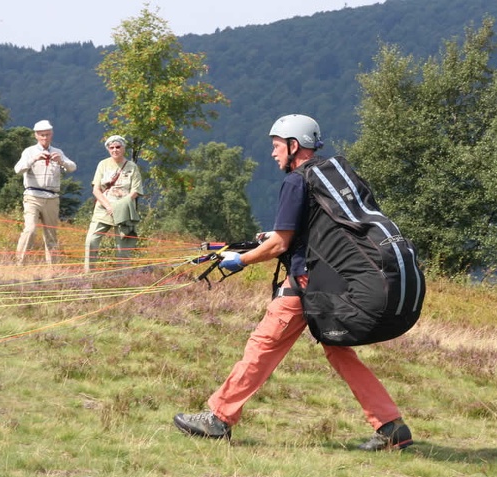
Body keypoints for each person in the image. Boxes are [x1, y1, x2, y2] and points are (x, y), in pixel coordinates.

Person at [173, 114, 414, 451]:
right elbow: (316, 228)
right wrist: (273, 237)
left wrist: (240, 260)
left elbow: (280, 245)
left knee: (263, 344)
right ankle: (391, 427)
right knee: (337, 351)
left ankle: (219, 417)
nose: (272, 154)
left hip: (307, 286)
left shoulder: (296, 181)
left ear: (293, 146)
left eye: (275, 146)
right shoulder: (330, 174)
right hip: (337, 285)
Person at [14, 119, 77, 265]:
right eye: (41, 135)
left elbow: (72, 167)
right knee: (30, 229)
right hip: (32, 195)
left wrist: (61, 161)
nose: (45, 138)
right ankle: (19, 263)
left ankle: (52, 268)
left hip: (52, 197)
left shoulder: (58, 152)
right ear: (36, 135)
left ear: (52, 135)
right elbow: (18, 169)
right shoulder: (29, 152)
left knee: (51, 234)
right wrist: (34, 159)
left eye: (47, 135)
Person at [84, 135, 144, 272]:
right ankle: (88, 274)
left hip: (123, 210)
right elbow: (96, 189)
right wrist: (108, 206)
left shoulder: (132, 167)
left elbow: (136, 191)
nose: (115, 150)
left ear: (123, 148)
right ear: (108, 149)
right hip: (103, 208)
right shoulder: (103, 164)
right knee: (91, 241)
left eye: (118, 147)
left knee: (123, 248)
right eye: (111, 148)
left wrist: (120, 206)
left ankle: (122, 276)